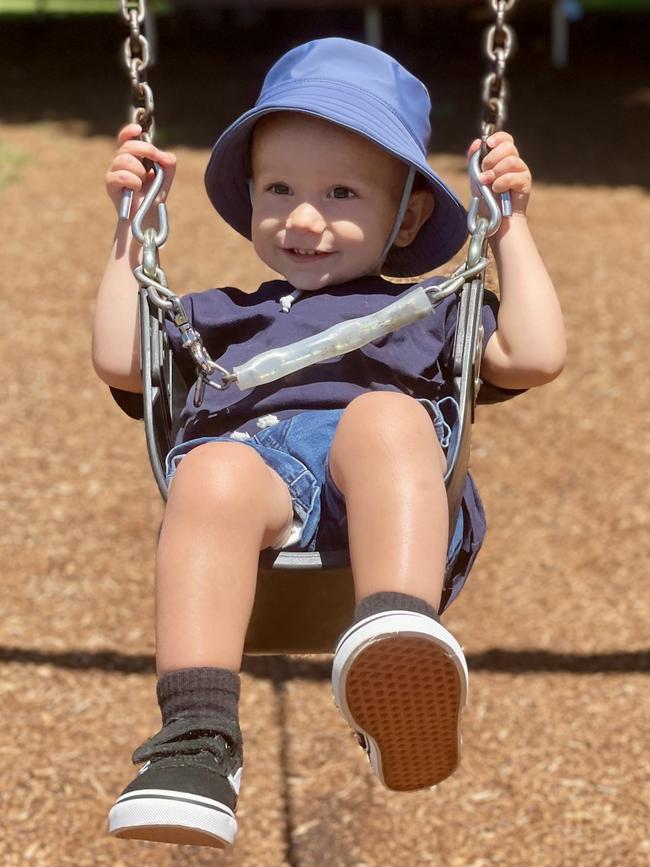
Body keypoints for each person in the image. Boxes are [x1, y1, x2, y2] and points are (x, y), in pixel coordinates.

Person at [92, 37, 565, 849]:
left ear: (410, 213)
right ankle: (195, 744)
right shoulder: (223, 315)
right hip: (264, 491)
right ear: (250, 195)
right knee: (209, 470)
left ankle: (395, 634)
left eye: (342, 192)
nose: (303, 217)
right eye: (279, 188)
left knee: (383, 416)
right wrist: (131, 233)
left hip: (391, 492)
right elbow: (124, 361)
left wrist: (507, 229)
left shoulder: (429, 310)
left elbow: (534, 353)